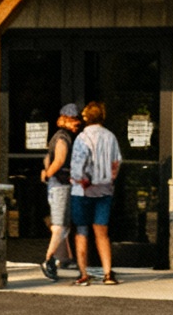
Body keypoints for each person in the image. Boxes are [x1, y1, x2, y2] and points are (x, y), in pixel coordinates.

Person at [67, 100, 122, 286]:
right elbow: (116, 163)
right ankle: (108, 273)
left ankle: (83, 273)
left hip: (83, 191)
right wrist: (109, 179)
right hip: (104, 190)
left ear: (86, 117)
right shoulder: (111, 137)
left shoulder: (82, 138)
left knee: (82, 231)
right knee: (102, 233)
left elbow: (77, 165)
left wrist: (80, 179)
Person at [38, 103, 80, 281]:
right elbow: (59, 160)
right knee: (59, 226)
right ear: (65, 120)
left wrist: (46, 171)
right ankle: (49, 259)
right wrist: (48, 174)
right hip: (60, 185)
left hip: (57, 185)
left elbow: (47, 158)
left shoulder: (57, 137)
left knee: (63, 224)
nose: (76, 123)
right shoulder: (63, 138)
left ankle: (65, 259)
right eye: (73, 120)